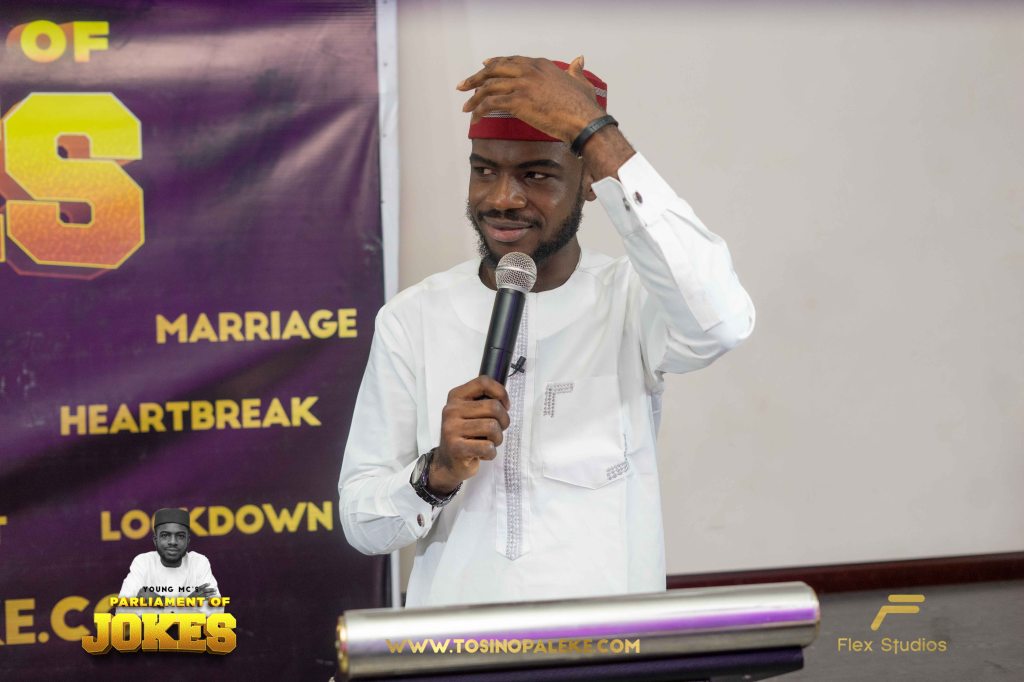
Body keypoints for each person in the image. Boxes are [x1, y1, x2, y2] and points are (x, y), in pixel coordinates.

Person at [338, 56, 755, 607]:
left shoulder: (631, 302)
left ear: (589, 182)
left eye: (536, 175)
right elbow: (363, 525)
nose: (502, 198)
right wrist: (436, 472)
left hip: (609, 641)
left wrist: (594, 131)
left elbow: (721, 322)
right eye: (484, 170)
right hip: (457, 644)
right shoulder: (413, 317)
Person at [116, 507, 221, 615]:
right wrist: (188, 603)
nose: (173, 542)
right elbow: (122, 612)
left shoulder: (199, 562)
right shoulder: (143, 562)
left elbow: (216, 612)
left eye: (180, 536)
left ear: (188, 540)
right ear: (155, 540)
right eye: (165, 535)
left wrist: (160, 602)